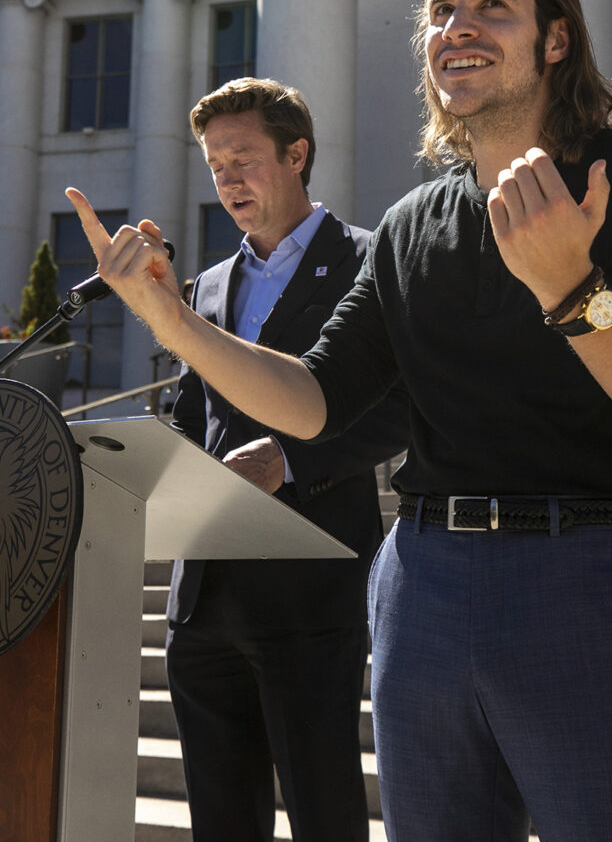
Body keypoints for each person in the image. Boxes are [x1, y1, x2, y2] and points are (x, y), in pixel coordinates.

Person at [68, 0, 612, 842]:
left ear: (555, 37)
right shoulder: (413, 223)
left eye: (491, 5)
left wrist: (575, 292)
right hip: (424, 588)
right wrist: (173, 322)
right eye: (440, 10)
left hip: (584, 576)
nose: (457, 26)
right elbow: (312, 399)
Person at [122, 77, 406, 841]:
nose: (228, 181)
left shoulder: (370, 260)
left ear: (297, 155)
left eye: (243, 159)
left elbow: (400, 412)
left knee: (324, 812)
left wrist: (291, 461)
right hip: (203, 600)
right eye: (215, 166)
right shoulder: (206, 287)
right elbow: (192, 414)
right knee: (220, 820)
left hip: (310, 596)